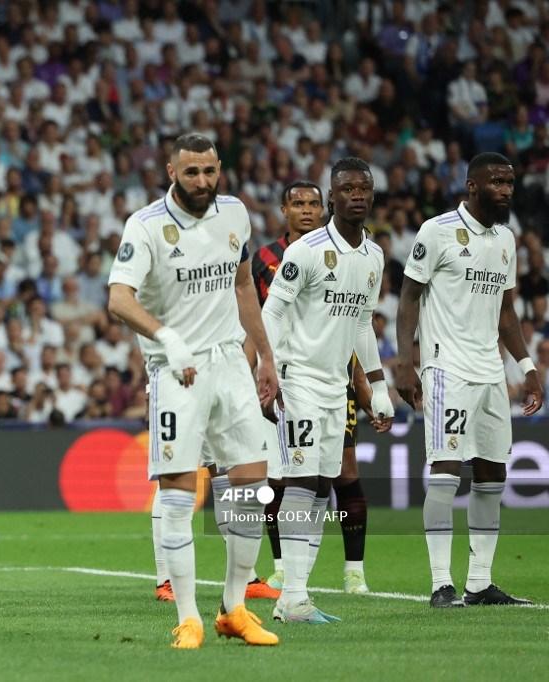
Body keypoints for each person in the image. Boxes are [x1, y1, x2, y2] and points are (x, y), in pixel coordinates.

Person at [107, 132, 279, 649]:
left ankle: (233, 609)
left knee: (251, 485)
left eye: (209, 171)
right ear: (170, 171)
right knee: (180, 495)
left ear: (218, 168)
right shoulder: (147, 226)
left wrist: (265, 354)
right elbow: (119, 298)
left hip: (231, 361)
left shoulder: (234, 213)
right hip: (175, 370)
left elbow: (244, 284)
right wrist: (166, 337)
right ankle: (188, 618)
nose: (202, 181)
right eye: (191, 173)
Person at [395, 152, 543, 608]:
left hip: (490, 373)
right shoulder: (436, 232)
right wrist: (405, 363)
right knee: (445, 473)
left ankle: (479, 583)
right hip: (445, 370)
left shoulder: (505, 240)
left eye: (510, 182)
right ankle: (441, 583)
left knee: (491, 475)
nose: (506, 189)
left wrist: (528, 368)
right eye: (497, 181)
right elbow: (407, 300)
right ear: (472, 185)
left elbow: (506, 312)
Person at [262, 158, 394, 624]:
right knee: (301, 482)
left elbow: (361, 323)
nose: (357, 194)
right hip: (297, 380)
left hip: (336, 387)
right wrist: (270, 369)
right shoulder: (307, 251)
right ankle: (293, 596)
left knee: (320, 487)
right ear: (331, 198)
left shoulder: (374, 256)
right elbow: (271, 313)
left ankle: (294, 596)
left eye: (365, 187)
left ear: (372, 196)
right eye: (347, 188)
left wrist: (377, 385)